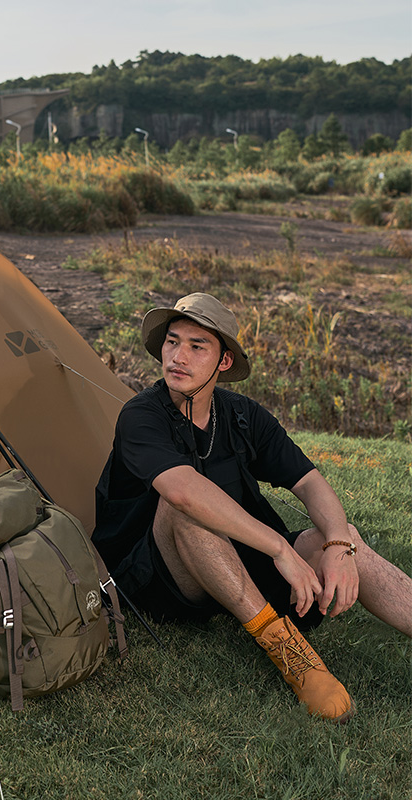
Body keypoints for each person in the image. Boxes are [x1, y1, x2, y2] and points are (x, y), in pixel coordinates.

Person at [93, 293, 412, 722]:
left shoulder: (242, 414)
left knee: (342, 536)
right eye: (172, 342)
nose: (177, 356)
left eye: (196, 346)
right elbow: (184, 492)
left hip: (237, 562)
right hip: (159, 577)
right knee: (183, 508)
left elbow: (310, 482)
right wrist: (281, 550)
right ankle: (290, 654)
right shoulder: (141, 415)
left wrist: (338, 546)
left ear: (224, 362)